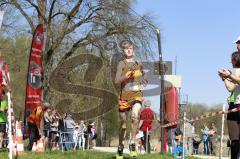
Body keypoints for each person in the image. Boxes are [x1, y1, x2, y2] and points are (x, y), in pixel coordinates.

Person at [115, 40, 148, 158]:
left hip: (137, 95)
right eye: (126, 48)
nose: (128, 50)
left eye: (130, 48)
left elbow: (144, 74)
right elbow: (116, 80)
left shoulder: (138, 63)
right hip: (124, 97)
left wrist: (144, 79)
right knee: (123, 123)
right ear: (123, 51)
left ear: (133, 50)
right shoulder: (122, 64)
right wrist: (126, 76)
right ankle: (120, 146)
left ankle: (133, 142)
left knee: (135, 115)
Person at [218, 51, 240, 159]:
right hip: (234, 104)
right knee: (235, 139)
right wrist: (225, 77)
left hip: (236, 106)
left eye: (232, 60)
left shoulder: (236, 71)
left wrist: (228, 76)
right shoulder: (235, 71)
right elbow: (231, 88)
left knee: (235, 138)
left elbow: (231, 87)